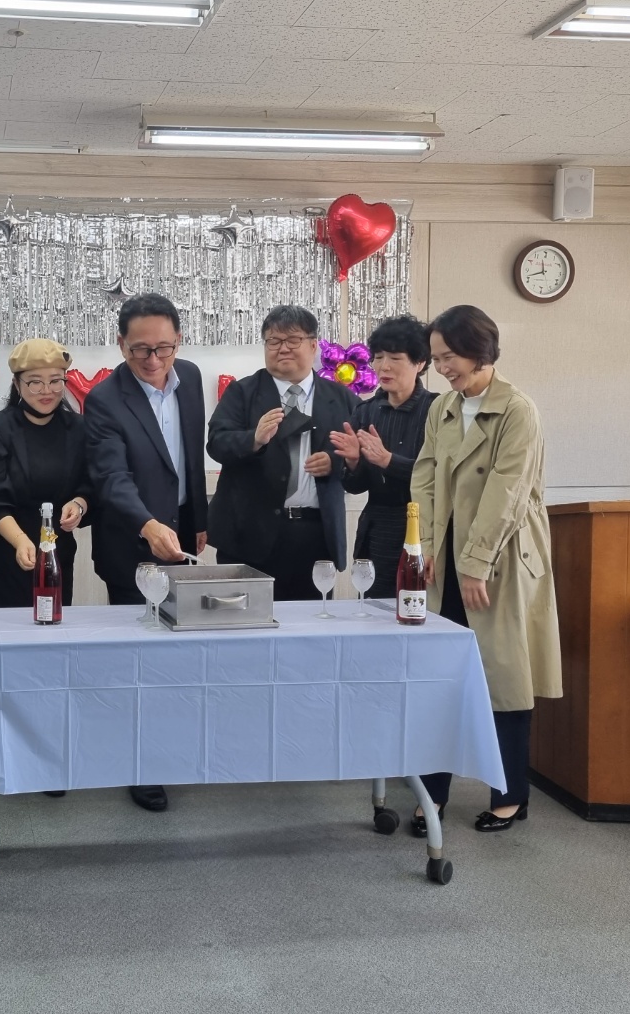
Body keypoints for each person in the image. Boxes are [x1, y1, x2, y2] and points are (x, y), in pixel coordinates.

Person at [409, 304, 561, 834]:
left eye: (449, 356)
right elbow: (424, 476)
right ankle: (431, 795)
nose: (441, 368)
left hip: (500, 561)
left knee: (503, 680)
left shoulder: (518, 409)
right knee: (439, 677)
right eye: (435, 359)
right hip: (445, 558)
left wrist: (475, 564)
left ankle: (510, 795)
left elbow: (507, 494)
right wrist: (426, 546)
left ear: (480, 351)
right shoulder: (442, 408)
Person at [84, 292, 208, 813]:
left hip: (180, 540)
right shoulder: (104, 400)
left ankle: (174, 747)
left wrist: (197, 521)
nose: (154, 360)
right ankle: (141, 764)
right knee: (139, 661)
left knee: (177, 657)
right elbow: (111, 478)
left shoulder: (191, 379)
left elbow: (189, 460)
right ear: (121, 344)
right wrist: (149, 524)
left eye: (164, 348)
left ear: (178, 341)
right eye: (140, 350)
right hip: (132, 548)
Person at [206, 305, 356, 599]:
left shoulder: (342, 398)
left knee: (311, 621)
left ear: (313, 345)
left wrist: (337, 463)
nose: (282, 348)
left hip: (315, 536)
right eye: (273, 341)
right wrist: (254, 439)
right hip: (249, 536)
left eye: (293, 340)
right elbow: (217, 443)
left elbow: (359, 458)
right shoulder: (242, 392)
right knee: (246, 621)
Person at [0, 338, 93, 610]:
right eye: (35, 382)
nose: (47, 391)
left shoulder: (79, 429)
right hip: (5, 552)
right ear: (17, 384)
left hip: (57, 554)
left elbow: (91, 483)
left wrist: (79, 504)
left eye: (56, 381)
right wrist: (20, 540)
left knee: (52, 623)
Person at [330, 314, 436, 599]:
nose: (383, 366)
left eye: (395, 358)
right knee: (373, 608)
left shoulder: (436, 410)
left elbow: (440, 476)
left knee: (418, 606)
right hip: (376, 531)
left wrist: (389, 461)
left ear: (420, 362)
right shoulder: (366, 411)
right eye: (378, 357)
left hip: (424, 531)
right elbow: (355, 486)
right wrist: (353, 461)